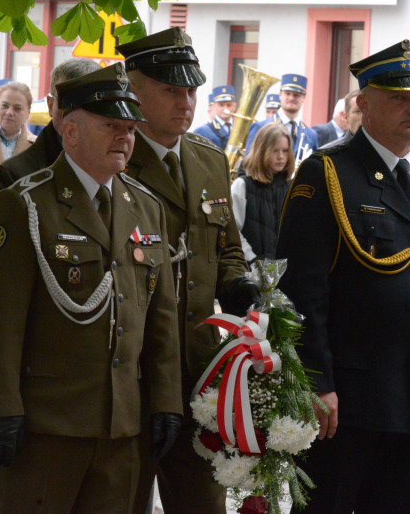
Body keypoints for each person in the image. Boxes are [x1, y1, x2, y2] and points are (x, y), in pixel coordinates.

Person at [0, 63, 183, 513]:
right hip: (46, 426)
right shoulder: (25, 203)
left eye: (129, 127)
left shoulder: (145, 207)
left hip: (122, 427)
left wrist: (166, 401)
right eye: (111, 126)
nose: (125, 137)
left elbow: (160, 318)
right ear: (69, 132)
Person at [276, 39, 410, 512]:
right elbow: (302, 291)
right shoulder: (326, 172)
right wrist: (317, 382)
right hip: (349, 398)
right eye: (398, 98)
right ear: (363, 105)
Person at [120, 27, 258, 514]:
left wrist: (241, 287)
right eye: (171, 91)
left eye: (191, 91)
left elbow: (225, 247)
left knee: (202, 501)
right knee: (124, 499)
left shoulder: (208, 160)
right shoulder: (114, 159)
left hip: (199, 370)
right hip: (131, 371)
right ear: (134, 93)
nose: (186, 102)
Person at [0, 58, 100, 190]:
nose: (77, 114)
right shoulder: (13, 174)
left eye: (88, 104)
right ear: (50, 105)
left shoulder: (116, 164)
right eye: (67, 102)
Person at [230, 122, 293, 263]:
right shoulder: (242, 186)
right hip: (249, 268)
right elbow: (232, 230)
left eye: (285, 151)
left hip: (285, 270)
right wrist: (253, 261)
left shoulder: (292, 187)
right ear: (262, 150)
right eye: (275, 151)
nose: (281, 157)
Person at [246, 73, 317, 165]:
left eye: (296, 95)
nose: (291, 98)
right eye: (287, 94)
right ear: (280, 95)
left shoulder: (311, 135)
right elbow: (248, 164)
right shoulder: (260, 127)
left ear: (304, 98)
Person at [0, 81, 36, 172]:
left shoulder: (36, 146)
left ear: (28, 113)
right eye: (5, 106)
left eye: (17, 108)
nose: (9, 113)